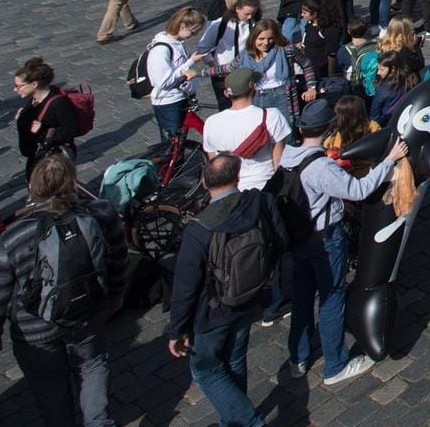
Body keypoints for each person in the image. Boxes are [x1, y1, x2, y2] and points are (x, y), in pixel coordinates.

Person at [0, 151, 126, 427]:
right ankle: (99, 422)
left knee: (50, 386)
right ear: (72, 183)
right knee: (92, 366)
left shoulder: (14, 235)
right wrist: (116, 295)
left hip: (34, 326)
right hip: (87, 311)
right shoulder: (101, 215)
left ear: (31, 186)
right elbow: (117, 259)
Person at [277, 97, 405, 387]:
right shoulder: (321, 167)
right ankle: (335, 364)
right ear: (328, 127)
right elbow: (358, 190)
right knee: (331, 298)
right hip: (324, 239)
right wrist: (388, 161)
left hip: (297, 238)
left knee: (302, 296)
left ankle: (299, 356)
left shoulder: (288, 155)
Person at [165, 154, 288, 427]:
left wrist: (177, 330)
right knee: (234, 360)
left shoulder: (199, 229)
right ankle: (233, 420)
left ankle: (248, 420)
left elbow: (185, 288)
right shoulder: (260, 202)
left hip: (212, 313)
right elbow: (280, 243)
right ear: (237, 177)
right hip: (248, 299)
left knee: (206, 371)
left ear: (204, 183)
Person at [200, 68, 289, 194]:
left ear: (226, 93)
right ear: (254, 88)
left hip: (229, 191)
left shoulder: (211, 122)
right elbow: (278, 160)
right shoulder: (271, 116)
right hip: (264, 186)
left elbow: (215, 163)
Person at [144, 8, 208, 143]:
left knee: (180, 143)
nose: (195, 35)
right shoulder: (161, 50)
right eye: (194, 31)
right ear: (182, 26)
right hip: (168, 102)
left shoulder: (179, 43)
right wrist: (190, 63)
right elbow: (163, 82)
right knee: (172, 146)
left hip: (181, 98)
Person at [12, 58, 80, 176]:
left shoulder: (58, 103)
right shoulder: (34, 98)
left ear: (34, 84)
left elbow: (71, 129)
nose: (15, 89)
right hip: (37, 154)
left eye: (18, 86)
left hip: (52, 158)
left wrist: (43, 130)